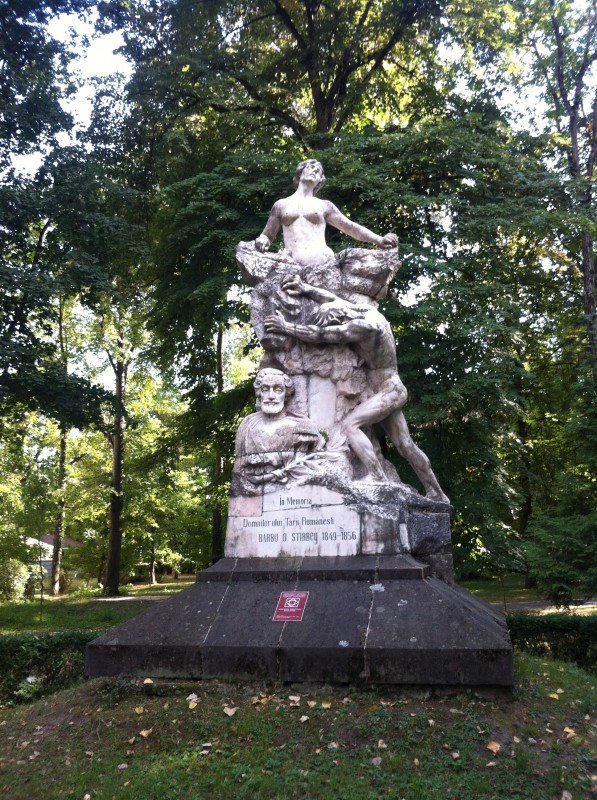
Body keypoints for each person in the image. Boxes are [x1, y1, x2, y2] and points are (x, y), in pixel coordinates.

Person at [264, 274, 449, 503]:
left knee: (350, 425)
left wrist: (286, 327)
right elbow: (330, 298)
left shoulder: (363, 327)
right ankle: (437, 492)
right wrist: (304, 288)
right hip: (388, 389)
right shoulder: (361, 310)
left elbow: (322, 335)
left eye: (335, 321)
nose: (338, 323)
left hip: (388, 390)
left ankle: (377, 477)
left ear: (339, 316)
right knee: (405, 444)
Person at [255, 159, 398, 268]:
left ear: (320, 181)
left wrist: (378, 240)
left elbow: (350, 227)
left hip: (323, 263)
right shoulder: (281, 205)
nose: (314, 171)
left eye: (318, 171)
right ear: (300, 172)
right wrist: (263, 239)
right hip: (292, 265)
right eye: (311, 167)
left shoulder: (324, 205)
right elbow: (267, 235)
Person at [234, 368, 324, 486]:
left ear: (286, 394)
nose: (271, 396)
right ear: (259, 393)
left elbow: (311, 462)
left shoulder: (302, 428)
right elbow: (239, 471)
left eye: (278, 390)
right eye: (265, 389)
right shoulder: (247, 426)